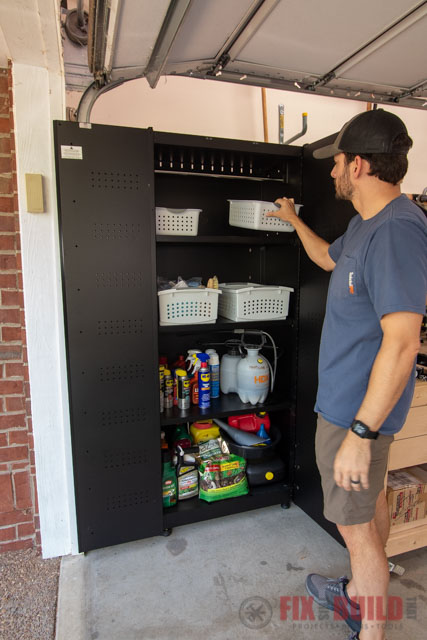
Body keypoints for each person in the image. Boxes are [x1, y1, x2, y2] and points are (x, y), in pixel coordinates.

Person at [267, 109, 427, 640]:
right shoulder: (364, 226)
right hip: (346, 404)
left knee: (354, 529)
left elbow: (404, 342)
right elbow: (329, 261)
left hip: (356, 414)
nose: (332, 171)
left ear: (358, 165)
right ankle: (360, 592)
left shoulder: (399, 231)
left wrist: (360, 433)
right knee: (369, 506)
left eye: (336, 162)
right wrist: (293, 221)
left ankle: (370, 627)